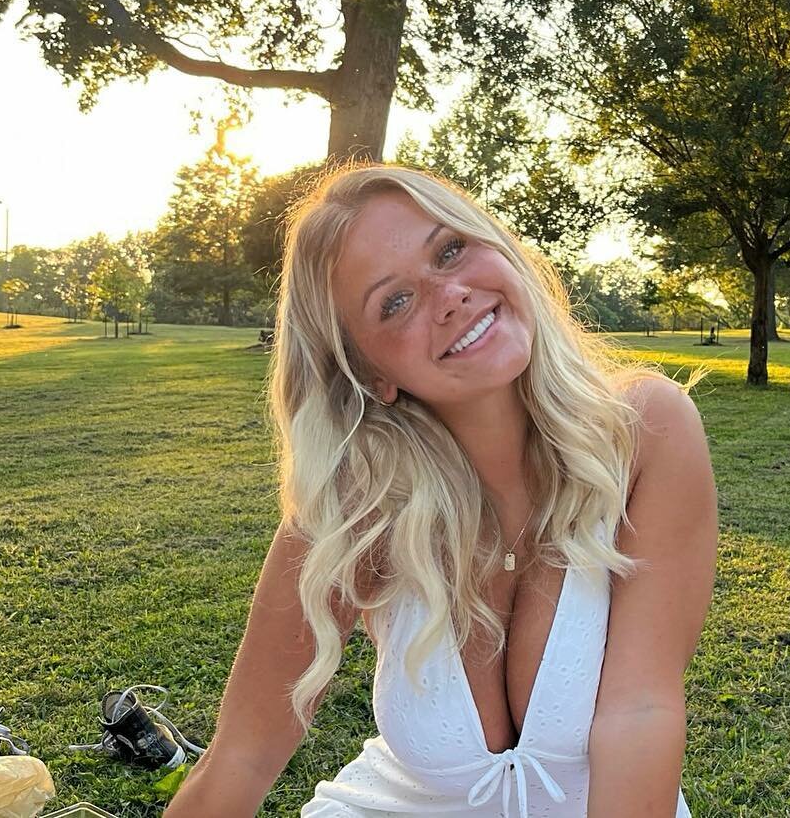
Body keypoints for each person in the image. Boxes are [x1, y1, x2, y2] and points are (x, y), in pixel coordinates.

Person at [164, 162, 718, 817]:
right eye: (394, 302)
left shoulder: (645, 432)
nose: (449, 295)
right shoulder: (357, 503)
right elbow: (243, 756)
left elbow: (640, 712)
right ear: (371, 375)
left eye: (450, 250)